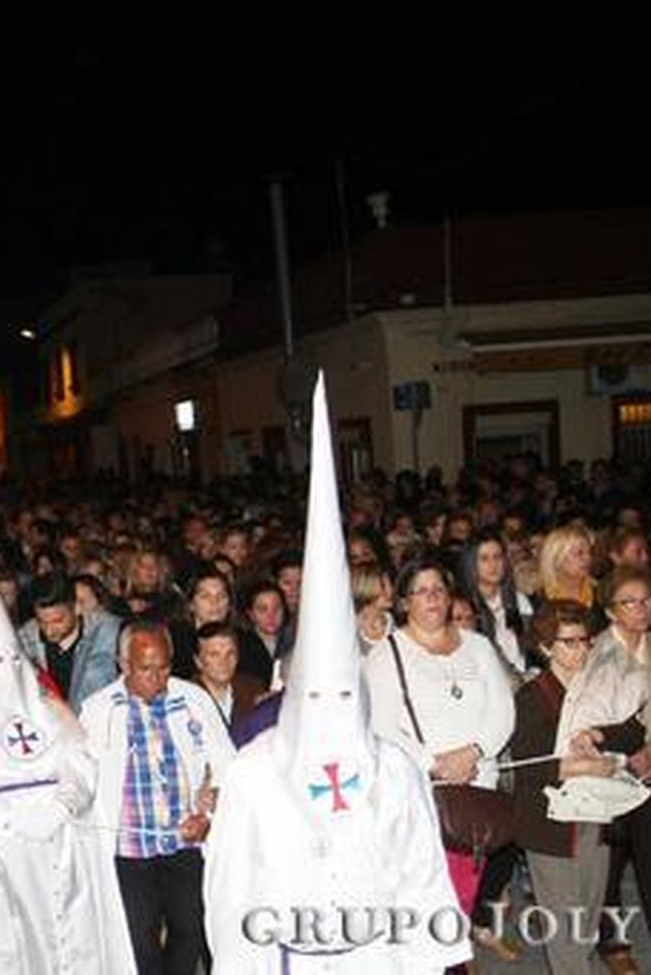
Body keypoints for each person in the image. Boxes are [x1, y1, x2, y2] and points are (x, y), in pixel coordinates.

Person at [204, 375, 468, 972]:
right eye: (317, 695)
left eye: (344, 694)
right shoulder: (253, 773)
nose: (330, 707)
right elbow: (230, 884)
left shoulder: (394, 769)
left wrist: (426, 960)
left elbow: (421, 870)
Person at [0, 490, 136, 973]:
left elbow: (79, 756)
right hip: (1, 855)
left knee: (71, 946)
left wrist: (61, 806)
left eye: (8, 658)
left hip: (59, 842)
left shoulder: (45, 702)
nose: (2, 668)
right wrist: (5, 823)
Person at [362, 557, 516, 916]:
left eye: (438, 589)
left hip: (477, 786)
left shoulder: (478, 646)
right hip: (420, 789)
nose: (432, 598)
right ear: (404, 603)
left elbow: (503, 710)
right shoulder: (387, 654)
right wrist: (435, 764)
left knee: (463, 898)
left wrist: (474, 752)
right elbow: (381, 725)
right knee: (422, 898)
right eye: (421, 591)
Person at [81, 620, 233, 975]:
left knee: (191, 931)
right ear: (124, 665)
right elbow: (82, 778)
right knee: (138, 941)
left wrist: (209, 814)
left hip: (184, 842)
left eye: (164, 667)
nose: (157, 677)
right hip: (130, 851)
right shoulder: (97, 710)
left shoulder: (193, 699)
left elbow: (228, 766)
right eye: (146, 669)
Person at [567, 565, 651, 973]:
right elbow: (585, 716)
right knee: (609, 865)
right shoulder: (594, 650)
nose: (642, 609)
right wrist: (623, 753)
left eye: (647, 600)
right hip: (608, 770)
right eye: (630, 602)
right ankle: (613, 944)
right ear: (610, 611)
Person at [509, 601, 621, 975]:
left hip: (597, 812)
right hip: (550, 822)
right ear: (546, 648)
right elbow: (529, 766)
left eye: (585, 640)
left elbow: (629, 733)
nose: (581, 649)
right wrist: (587, 764)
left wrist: (606, 748)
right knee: (563, 921)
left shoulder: (600, 688)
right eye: (569, 642)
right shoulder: (531, 696)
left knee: (587, 914)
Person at [17, 571, 119, 711]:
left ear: (77, 608)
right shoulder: (26, 638)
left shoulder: (106, 632)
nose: (49, 631)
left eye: (58, 621)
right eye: (41, 622)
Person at [461, 528, 533, 677]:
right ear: (471, 563)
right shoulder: (464, 607)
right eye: (484, 559)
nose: (493, 565)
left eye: (498, 557)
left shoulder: (519, 600)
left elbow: (530, 649)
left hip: (524, 678)